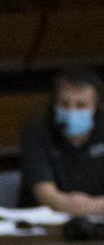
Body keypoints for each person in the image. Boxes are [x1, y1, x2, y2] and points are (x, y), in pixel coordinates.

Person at [23, 67, 104, 216]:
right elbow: (46, 195)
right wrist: (76, 206)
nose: (72, 112)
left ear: (96, 108)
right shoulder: (38, 132)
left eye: (81, 105)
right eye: (65, 104)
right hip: (47, 225)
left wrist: (91, 206)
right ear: (54, 105)